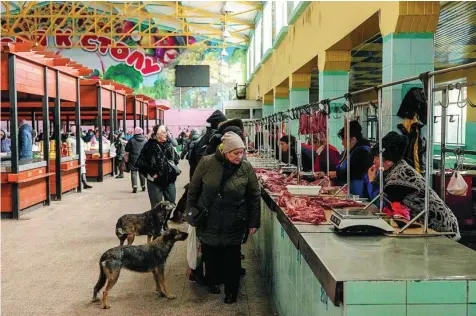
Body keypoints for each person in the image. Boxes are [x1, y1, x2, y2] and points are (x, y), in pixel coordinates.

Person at [187, 132, 260, 304]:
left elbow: (254, 196)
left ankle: (231, 291)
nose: (239, 156)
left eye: (241, 152)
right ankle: (213, 281)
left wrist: (253, 222)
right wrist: (190, 213)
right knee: (211, 256)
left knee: (232, 259)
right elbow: (193, 189)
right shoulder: (206, 163)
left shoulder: (246, 168)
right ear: (225, 151)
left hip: (234, 220)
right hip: (208, 219)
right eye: (235, 153)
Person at [367, 131, 460, 240]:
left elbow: (382, 203)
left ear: (389, 161)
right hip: (427, 223)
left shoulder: (398, 177)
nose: (374, 161)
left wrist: (371, 181)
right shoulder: (395, 167)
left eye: (377, 158)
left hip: (440, 226)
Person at [136, 125, 179, 208]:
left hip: (169, 179)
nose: (166, 134)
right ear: (157, 134)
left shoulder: (168, 144)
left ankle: (166, 220)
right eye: (164, 132)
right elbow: (141, 163)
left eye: (166, 132)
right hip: (155, 181)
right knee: (156, 207)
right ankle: (157, 221)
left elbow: (176, 159)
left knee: (171, 203)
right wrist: (151, 173)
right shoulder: (149, 145)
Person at [328, 121, 373, 198]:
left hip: (359, 194)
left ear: (353, 139)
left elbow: (353, 173)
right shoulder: (352, 151)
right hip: (351, 192)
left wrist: (335, 174)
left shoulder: (362, 152)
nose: (342, 143)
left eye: (344, 139)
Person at [125, 127, 147, 193]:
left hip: (133, 158)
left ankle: (134, 186)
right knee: (142, 172)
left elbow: (127, 149)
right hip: (142, 158)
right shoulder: (145, 140)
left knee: (133, 172)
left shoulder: (131, 140)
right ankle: (143, 185)